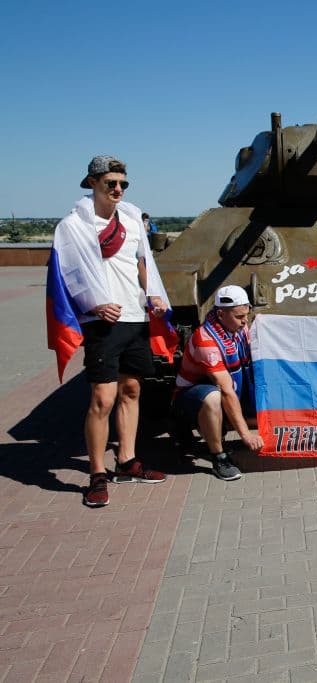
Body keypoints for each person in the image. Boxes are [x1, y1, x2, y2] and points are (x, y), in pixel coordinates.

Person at [52, 155, 170, 507]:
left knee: (132, 390)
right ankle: (96, 474)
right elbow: (66, 274)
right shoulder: (74, 226)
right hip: (102, 321)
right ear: (92, 183)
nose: (118, 189)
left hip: (134, 316)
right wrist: (93, 305)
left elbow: (141, 262)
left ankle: (127, 461)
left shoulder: (131, 219)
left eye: (122, 184)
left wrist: (153, 295)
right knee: (102, 398)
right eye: (111, 183)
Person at [171, 285, 264, 480]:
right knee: (213, 397)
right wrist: (246, 435)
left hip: (223, 389)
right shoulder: (206, 340)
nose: (244, 321)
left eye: (246, 315)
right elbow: (226, 390)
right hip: (191, 397)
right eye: (239, 317)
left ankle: (220, 428)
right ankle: (219, 457)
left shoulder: (238, 328)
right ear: (221, 314)